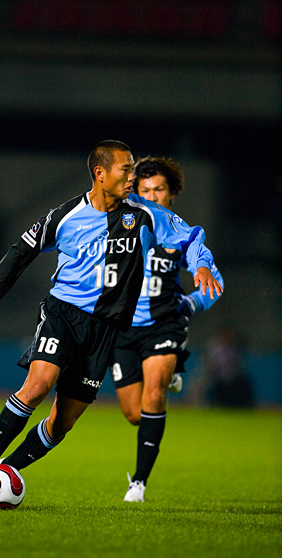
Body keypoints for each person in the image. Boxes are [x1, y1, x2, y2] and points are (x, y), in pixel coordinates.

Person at [0, 140, 222, 498]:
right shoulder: (65, 216)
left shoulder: (145, 213)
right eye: (125, 170)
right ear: (100, 173)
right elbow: (22, 250)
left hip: (106, 329)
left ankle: (6, 470)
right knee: (38, 385)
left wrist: (201, 265)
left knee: (62, 422)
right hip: (63, 315)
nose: (132, 178)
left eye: (133, 170)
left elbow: (190, 237)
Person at [109, 156, 224, 502]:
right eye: (145, 190)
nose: (152, 196)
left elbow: (213, 280)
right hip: (123, 329)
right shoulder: (123, 223)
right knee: (134, 414)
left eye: (159, 189)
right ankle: (170, 374)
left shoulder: (177, 230)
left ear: (172, 193)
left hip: (164, 323)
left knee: (154, 392)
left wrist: (190, 302)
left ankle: (139, 484)